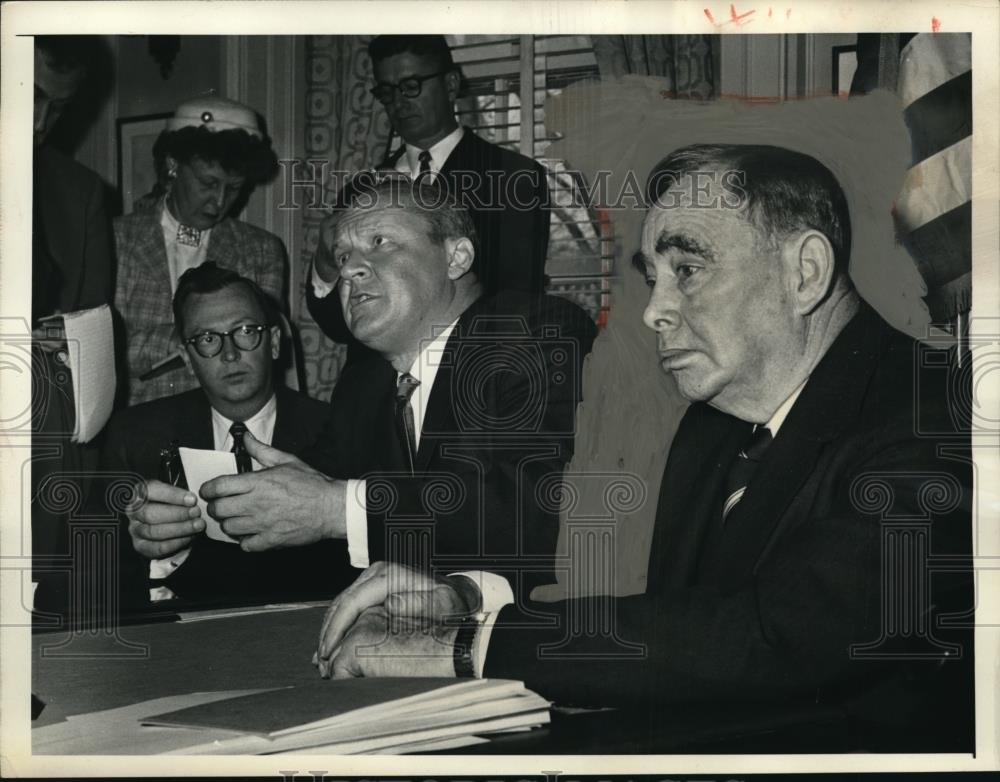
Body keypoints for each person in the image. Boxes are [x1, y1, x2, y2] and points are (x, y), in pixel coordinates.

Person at [316, 145, 973, 752]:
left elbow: (773, 637)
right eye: (652, 277)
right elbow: (648, 606)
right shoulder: (713, 424)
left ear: (805, 272)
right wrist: (468, 600)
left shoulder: (938, 416)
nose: (654, 310)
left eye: (687, 269)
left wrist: (464, 646)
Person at [137, 175, 595, 607]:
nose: (350, 269)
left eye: (379, 243)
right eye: (341, 256)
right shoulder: (364, 386)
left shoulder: (534, 333)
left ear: (457, 257)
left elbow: (537, 512)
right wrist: (183, 538)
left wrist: (338, 508)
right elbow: (307, 552)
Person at [102, 263, 349, 611]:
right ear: (187, 359)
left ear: (274, 343)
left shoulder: (338, 430)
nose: (230, 354)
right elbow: (96, 575)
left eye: (245, 331)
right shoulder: (134, 435)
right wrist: (152, 551)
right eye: (207, 340)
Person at [306, 34, 551, 347]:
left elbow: (516, 301)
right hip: (376, 387)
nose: (398, 101)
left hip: (470, 373)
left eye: (411, 86)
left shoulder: (515, 177)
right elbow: (338, 328)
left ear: (450, 84)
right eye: (387, 91)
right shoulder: (359, 191)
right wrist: (326, 266)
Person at [114, 95, 287, 406]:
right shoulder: (117, 240)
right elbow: (106, 349)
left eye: (234, 188)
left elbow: (258, 355)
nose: (219, 202)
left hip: (224, 422)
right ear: (173, 166)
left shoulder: (261, 250)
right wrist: (210, 339)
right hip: (134, 422)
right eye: (208, 183)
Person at [32, 35, 115, 609]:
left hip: (40, 470)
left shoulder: (80, 193)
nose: (41, 123)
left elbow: (88, 370)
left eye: (58, 107)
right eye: (31, 95)